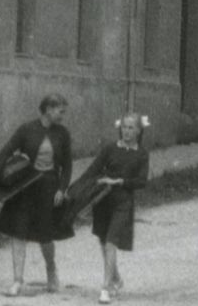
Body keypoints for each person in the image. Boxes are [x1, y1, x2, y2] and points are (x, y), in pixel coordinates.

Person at [0, 93, 73, 296]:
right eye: (60, 111)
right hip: (24, 188)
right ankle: (17, 281)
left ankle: (51, 270)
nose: (62, 115)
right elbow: (5, 153)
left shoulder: (63, 133)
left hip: (48, 189)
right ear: (48, 109)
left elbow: (67, 165)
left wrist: (62, 188)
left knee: (45, 236)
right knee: (18, 232)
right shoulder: (26, 129)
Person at [77, 113, 150, 304]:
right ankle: (116, 278)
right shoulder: (110, 148)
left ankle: (105, 288)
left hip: (123, 203)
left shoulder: (142, 154)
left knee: (111, 243)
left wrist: (120, 181)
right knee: (103, 242)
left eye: (131, 128)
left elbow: (142, 181)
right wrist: (77, 188)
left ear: (138, 131)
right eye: (124, 127)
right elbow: (93, 169)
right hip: (103, 200)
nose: (127, 131)